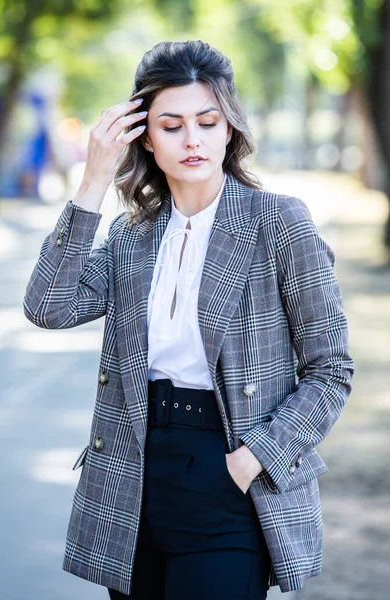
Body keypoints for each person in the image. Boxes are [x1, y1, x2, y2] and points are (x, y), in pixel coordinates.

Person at [23, 40, 354, 599]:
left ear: (230, 129)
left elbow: (331, 369)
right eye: (171, 125)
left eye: (207, 121)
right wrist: (92, 182)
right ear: (145, 137)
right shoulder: (133, 233)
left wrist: (252, 462)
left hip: (228, 473)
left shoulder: (280, 222)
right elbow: (48, 307)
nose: (193, 139)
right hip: (133, 473)